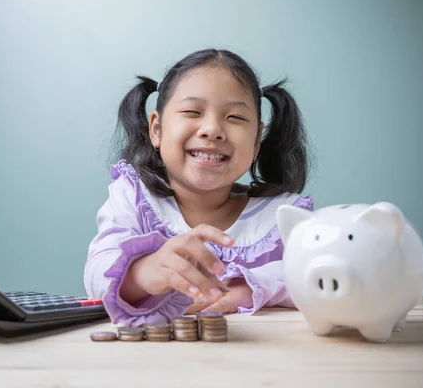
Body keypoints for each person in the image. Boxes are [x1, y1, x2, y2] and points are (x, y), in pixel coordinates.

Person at [84, 48, 313, 327]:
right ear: (156, 129)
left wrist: (250, 287)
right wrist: (146, 271)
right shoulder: (133, 197)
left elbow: (318, 272)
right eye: (193, 112)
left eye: (235, 118)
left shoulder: (280, 216)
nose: (212, 129)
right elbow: (97, 274)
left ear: (256, 143)